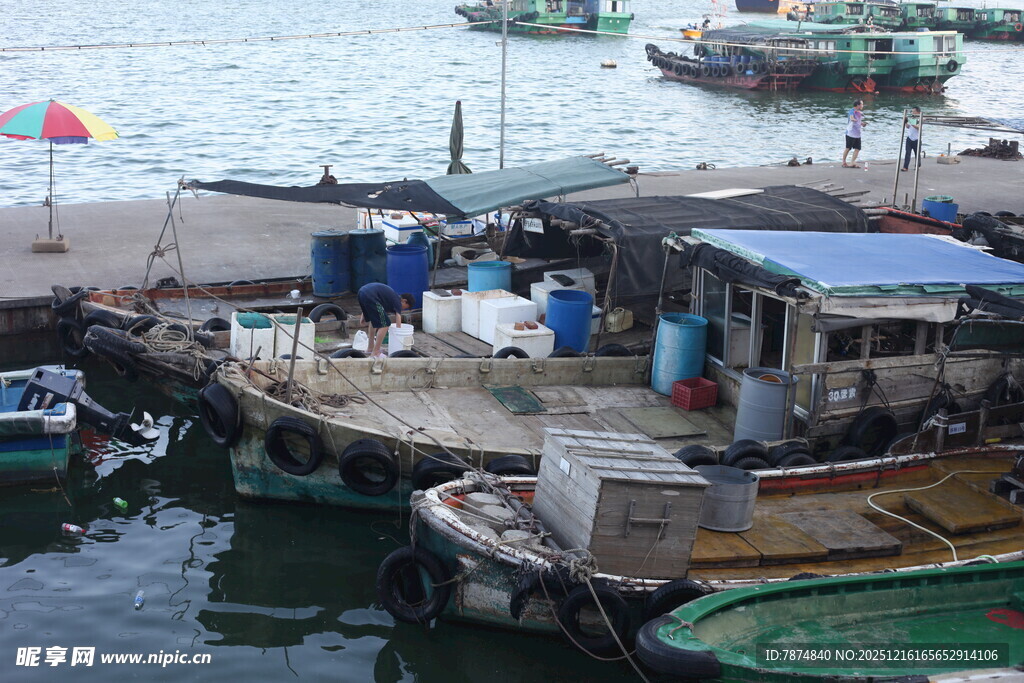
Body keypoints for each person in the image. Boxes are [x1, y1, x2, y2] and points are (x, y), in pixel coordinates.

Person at [356, 283, 414, 358]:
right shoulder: (397, 300)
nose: (403, 309)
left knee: (374, 321)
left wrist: (363, 316)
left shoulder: (388, 299)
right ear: (404, 301)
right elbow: (398, 317)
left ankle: (370, 348)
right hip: (371, 295)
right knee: (385, 325)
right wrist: (398, 332)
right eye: (405, 307)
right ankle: (376, 352)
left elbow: (369, 302)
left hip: (362, 292)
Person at [842, 99, 866, 168]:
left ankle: (852, 162)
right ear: (858, 105)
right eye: (861, 104)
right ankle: (844, 162)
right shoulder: (852, 111)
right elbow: (851, 118)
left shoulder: (860, 113)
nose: (862, 105)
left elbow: (859, 121)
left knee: (858, 148)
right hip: (850, 133)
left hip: (857, 134)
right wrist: (853, 119)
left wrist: (862, 124)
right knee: (848, 148)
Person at [902, 106, 921, 172]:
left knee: (917, 154)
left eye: (914, 111)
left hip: (916, 139)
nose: (912, 113)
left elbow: (918, 127)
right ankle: (905, 167)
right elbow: (908, 127)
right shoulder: (912, 118)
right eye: (912, 111)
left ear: (918, 112)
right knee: (907, 153)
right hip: (909, 138)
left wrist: (911, 121)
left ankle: (917, 166)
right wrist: (906, 121)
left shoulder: (920, 119)